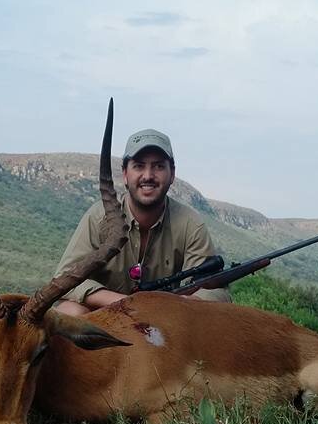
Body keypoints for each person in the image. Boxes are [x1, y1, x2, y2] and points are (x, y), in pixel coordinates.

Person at [55, 128, 232, 315]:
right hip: (105, 320)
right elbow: (65, 280)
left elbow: (216, 290)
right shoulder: (99, 217)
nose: (148, 175)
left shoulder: (190, 223)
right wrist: (130, 303)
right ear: (125, 174)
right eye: (139, 166)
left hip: (165, 322)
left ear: (172, 174)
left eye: (158, 166)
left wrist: (190, 301)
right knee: (69, 312)